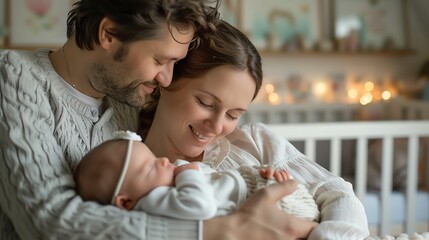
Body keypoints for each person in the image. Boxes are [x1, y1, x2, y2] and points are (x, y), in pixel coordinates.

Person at [0, 0, 318, 239]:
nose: (166, 78)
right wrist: (227, 229)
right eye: (160, 60)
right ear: (108, 33)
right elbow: (50, 222)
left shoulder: (127, 97)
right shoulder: (14, 77)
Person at [138, 19, 371, 239]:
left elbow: (339, 194)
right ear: (167, 81)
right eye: (206, 103)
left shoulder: (253, 142)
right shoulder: (127, 167)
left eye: (233, 115)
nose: (217, 126)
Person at [74, 131, 320, 227]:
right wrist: (189, 172)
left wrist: (262, 174)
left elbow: (215, 180)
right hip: (271, 209)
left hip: (259, 192)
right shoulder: (151, 202)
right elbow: (201, 205)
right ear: (125, 202)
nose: (161, 161)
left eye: (153, 157)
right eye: (149, 168)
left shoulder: (165, 185)